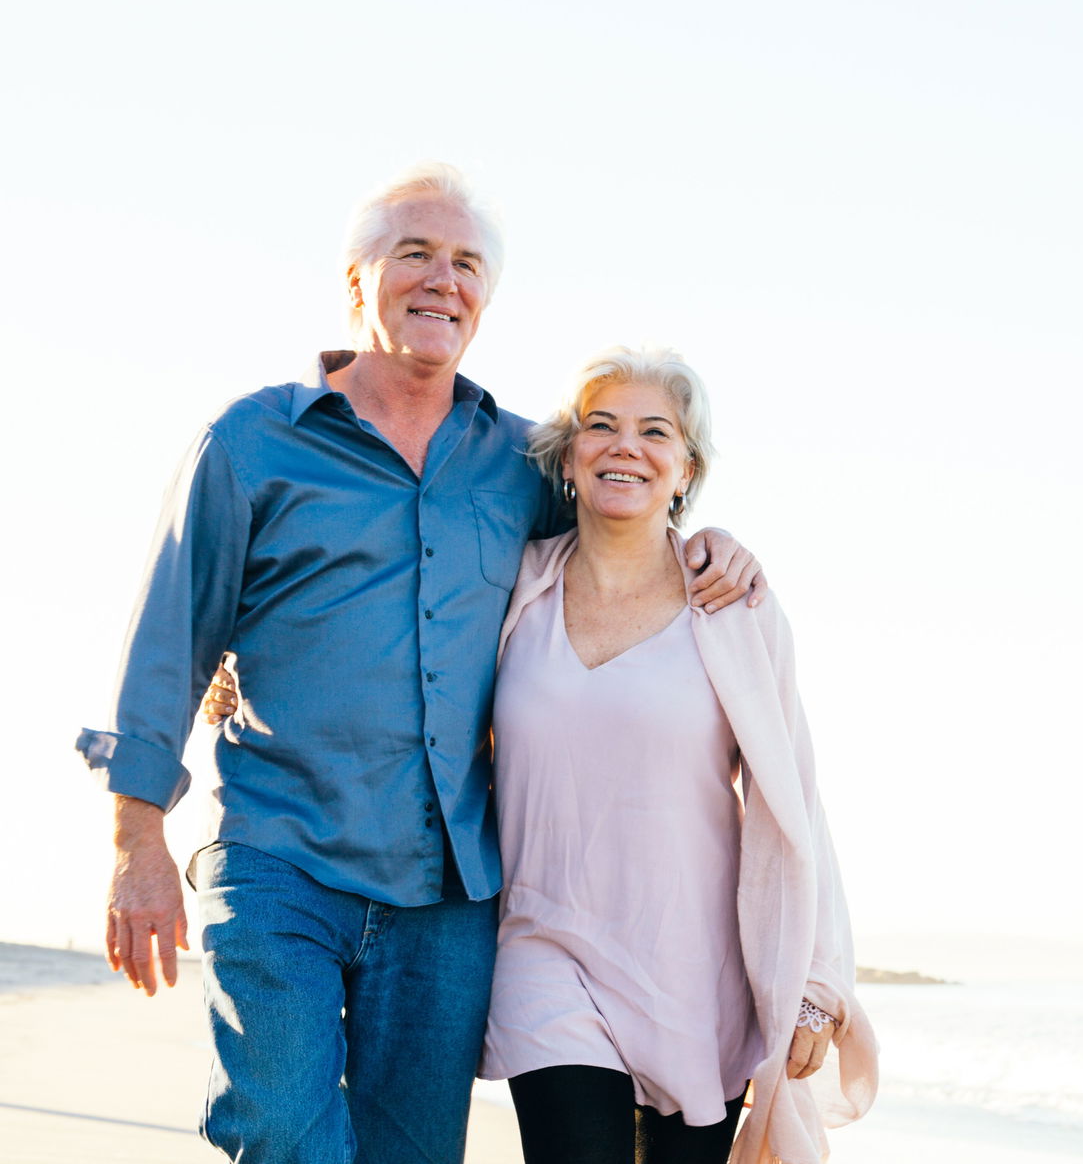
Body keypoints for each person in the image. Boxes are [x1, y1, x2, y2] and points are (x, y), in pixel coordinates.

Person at [77, 163, 764, 1164]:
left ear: (485, 299)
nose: (443, 280)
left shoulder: (522, 461)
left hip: (448, 896)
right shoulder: (252, 444)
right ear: (357, 282)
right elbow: (168, 642)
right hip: (281, 859)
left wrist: (715, 542)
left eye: (467, 264)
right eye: (415, 254)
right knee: (280, 1127)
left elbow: (628, 517)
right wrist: (137, 841)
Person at [475, 345, 876, 1163]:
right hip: (542, 946)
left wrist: (817, 984)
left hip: (692, 971)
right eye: (602, 425)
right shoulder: (512, 590)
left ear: (686, 468)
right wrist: (242, 671)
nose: (626, 445)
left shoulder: (733, 608)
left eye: (655, 431)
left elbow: (792, 796)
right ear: (569, 456)